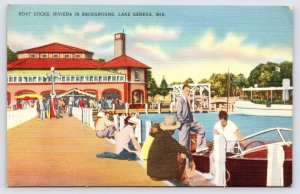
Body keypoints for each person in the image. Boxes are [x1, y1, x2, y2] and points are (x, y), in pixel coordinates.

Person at [147, 115, 195, 185]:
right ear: (172, 129)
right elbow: (183, 149)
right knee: (182, 156)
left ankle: (182, 179)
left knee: (178, 154)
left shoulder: (160, 135)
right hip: (159, 175)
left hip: (152, 172)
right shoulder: (166, 138)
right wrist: (191, 160)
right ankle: (181, 181)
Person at [204, 110, 244, 180]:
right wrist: (212, 148)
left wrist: (245, 145)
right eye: (223, 121)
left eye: (225, 121)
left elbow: (239, 136)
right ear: (220, 119)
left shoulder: (232, 124)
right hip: (221, 144)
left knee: (219, 153)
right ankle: (211, 173)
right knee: (211, 155)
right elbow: (216, 139)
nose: (225, 123)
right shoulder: (216, 126)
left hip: (231, 143)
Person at [176, 83, 208, 152]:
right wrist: (183, 124)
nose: (187, 92)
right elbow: (179, 114)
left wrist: (196, 122)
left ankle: (200, 147)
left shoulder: (186, 101)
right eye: (186, 90)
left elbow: (190, 114)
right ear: (182, 91)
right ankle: (185, 161)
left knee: (201, 129)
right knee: (185, 146)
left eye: (189, 91)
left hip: (190, 123)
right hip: (184, 124)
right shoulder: (180, 100)